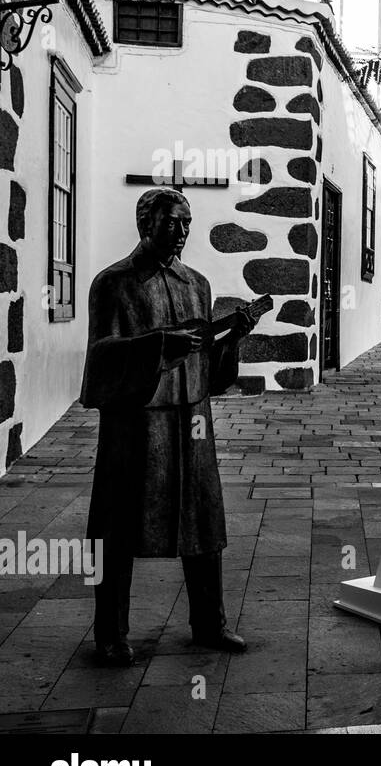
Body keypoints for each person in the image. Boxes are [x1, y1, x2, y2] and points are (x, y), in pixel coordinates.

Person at [81, 188, 254, 666]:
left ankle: (209, 623)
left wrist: (229, 339)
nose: (182, 231)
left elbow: (208, 367)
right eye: (172, 222)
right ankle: (111, 634)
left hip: (192, 419)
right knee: (118, 525)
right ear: (146, 224)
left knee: (203, 519)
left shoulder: (196, 284)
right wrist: (157, 345)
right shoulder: (114, 283)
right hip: (136, 421)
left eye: (187, 222)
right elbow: (99, 359)